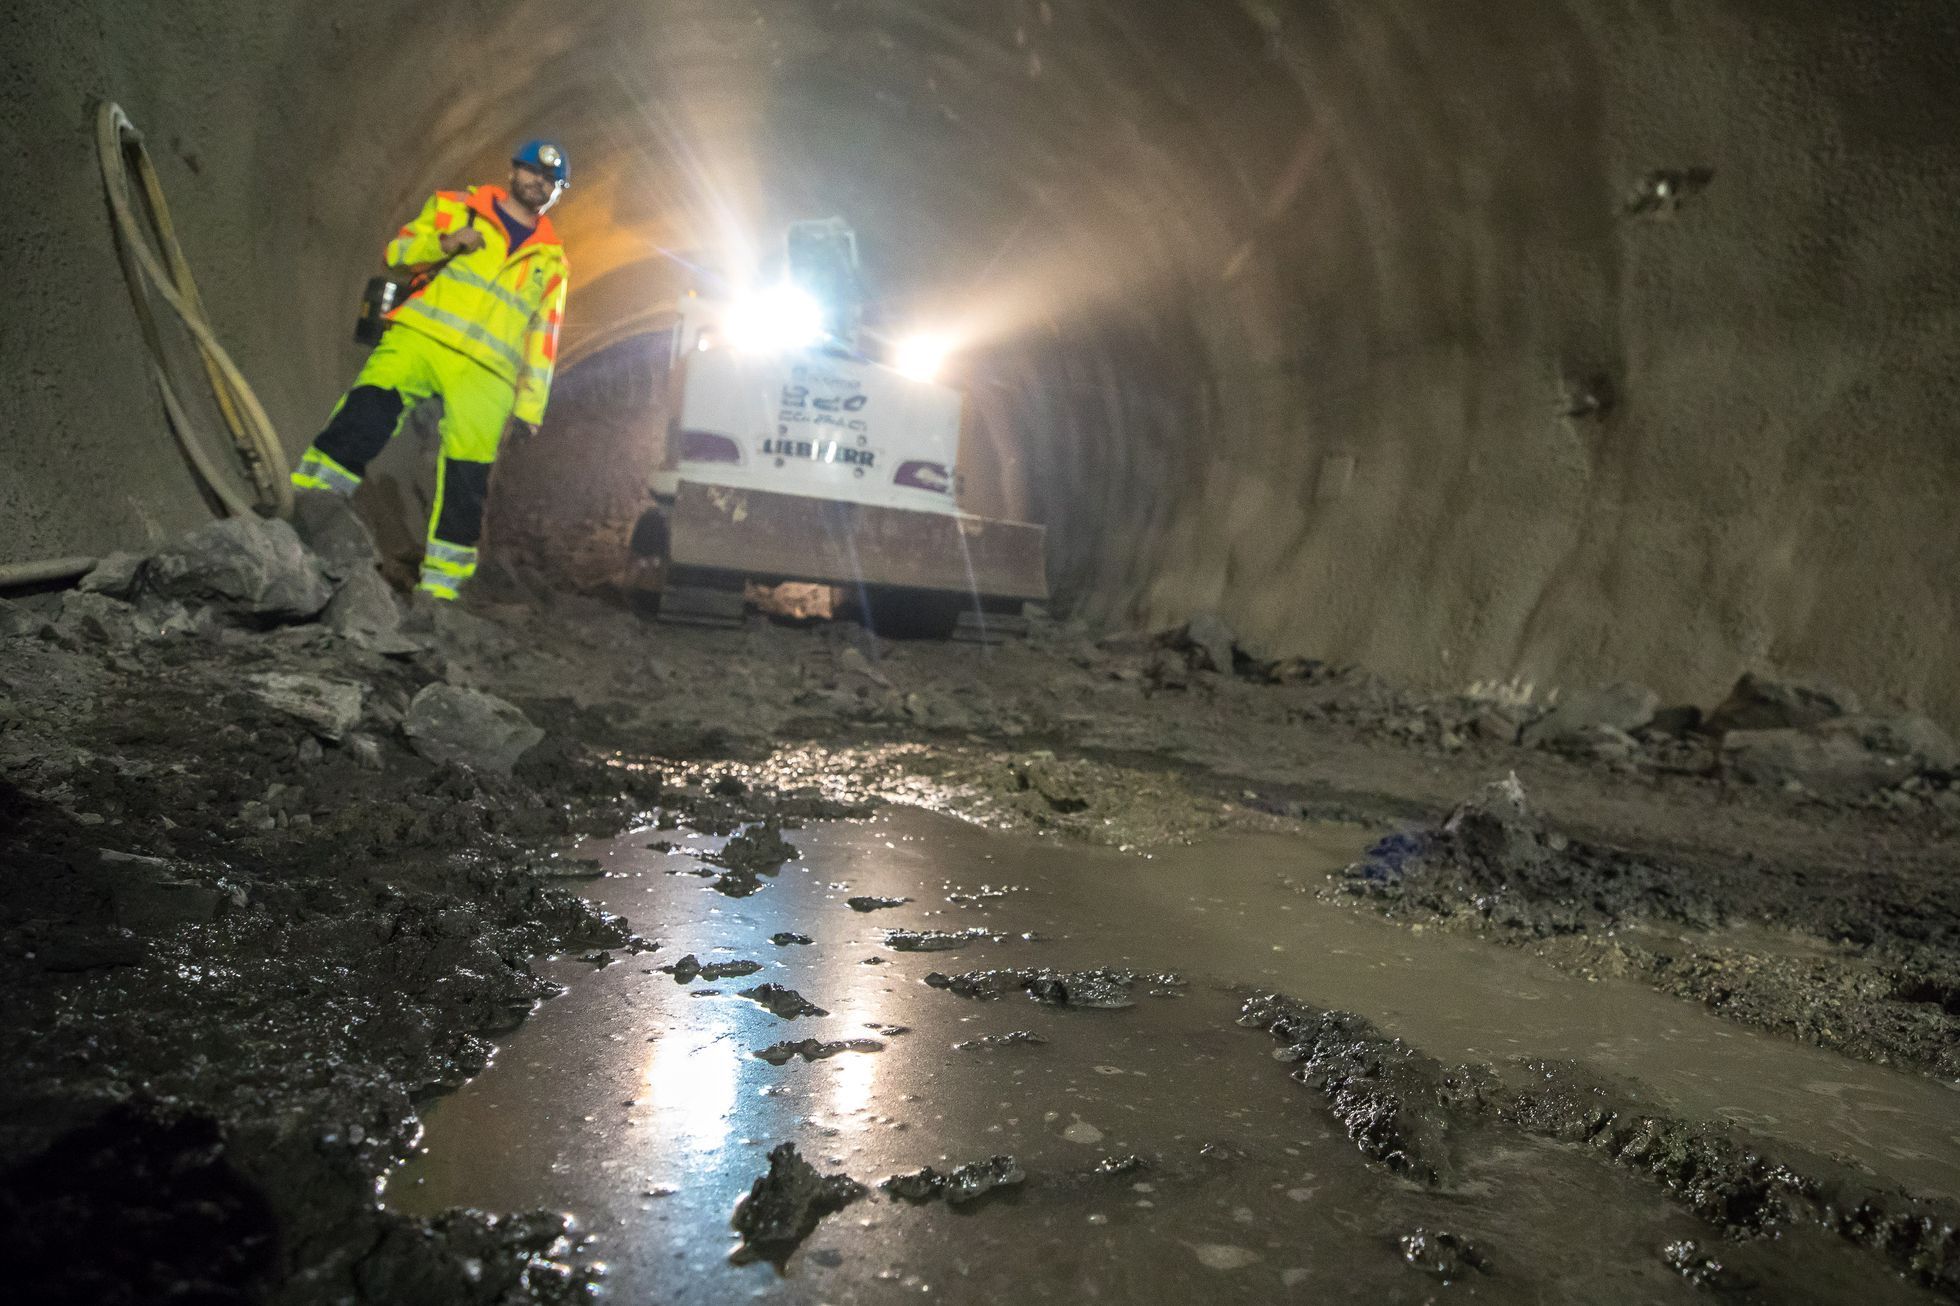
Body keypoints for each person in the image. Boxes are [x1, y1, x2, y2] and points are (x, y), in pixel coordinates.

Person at [291, 140, 571, 599]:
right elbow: (397, 255)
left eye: (551, 181)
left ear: (556, 193)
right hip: (422, 338)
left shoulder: (553, 261)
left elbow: (545, 337)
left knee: (467, 478)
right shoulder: (455, 208)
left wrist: (530, 410)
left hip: (489, 373)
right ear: (513, 170)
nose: (539, 182)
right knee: (367, 411)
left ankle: (441, 591)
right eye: (532, 171)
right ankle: (310, 504)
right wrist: (445, 243)